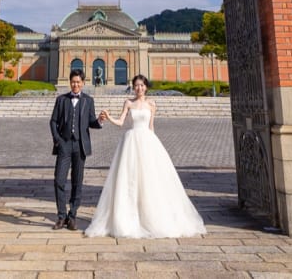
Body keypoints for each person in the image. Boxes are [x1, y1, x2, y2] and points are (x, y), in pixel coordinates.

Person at [84, 74, 206, 238]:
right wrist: (108, 117)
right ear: (133, 87)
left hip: (148, 142)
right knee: (130, 180)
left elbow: (151, 126)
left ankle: (151, 217)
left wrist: (156, 147)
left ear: (146, 87)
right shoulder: (128, 103)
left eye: (142, 85)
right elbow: (121, 122)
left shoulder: (151, 104)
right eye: (136, 85)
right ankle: (129, 217)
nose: (139, 88)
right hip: (131, 142)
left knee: (150, 180)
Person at [50, 68, 106, 231]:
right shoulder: (61, 100)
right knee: (59, 180)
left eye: (78, 82)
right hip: (64, 145)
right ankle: (61, 216)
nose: (75, 84)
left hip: (80, 146)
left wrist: (100, 121)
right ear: (70, 83)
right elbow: (53, 122)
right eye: (73, 82)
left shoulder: (88, 100)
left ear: (83, 83)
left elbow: (91, 122)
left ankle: (72, 216)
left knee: (77, 182)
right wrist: (58, 140)